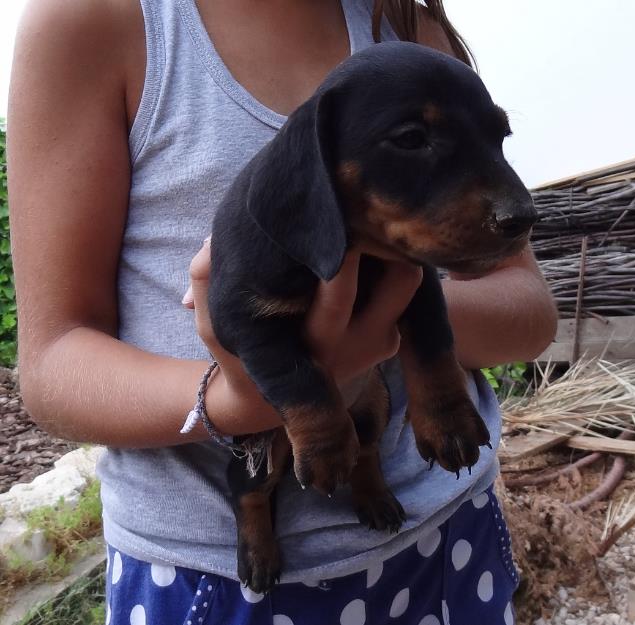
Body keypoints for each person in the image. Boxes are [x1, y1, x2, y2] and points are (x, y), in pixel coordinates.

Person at [8, 0, 557, 623]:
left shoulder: (407, 29)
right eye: (411, 140)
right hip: (207, 574)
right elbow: (53, 367)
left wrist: (391, 315)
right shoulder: (92, 21)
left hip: (450, 529)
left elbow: (530, 311)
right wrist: (252, 399)